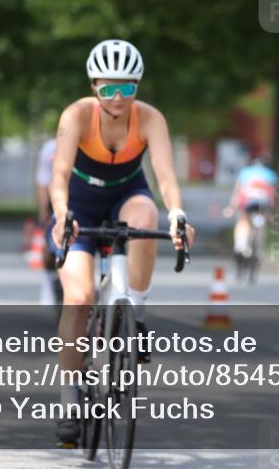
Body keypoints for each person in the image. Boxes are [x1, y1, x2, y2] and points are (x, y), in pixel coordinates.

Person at [48, 39, 195, 446]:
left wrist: (178, 213)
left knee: (146, 219)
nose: (117, 97)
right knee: (77, 301)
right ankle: (68, 399)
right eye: (108, 87)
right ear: (94, 85)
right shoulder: (76, 115)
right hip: (79, 207)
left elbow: (165, 176)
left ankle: (139, 316)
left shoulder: (150, 119)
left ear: (137, 88)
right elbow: (59, 174)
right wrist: (62, 215)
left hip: (127, 196)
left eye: (127, 88)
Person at [222, 156, 277, 272]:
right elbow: (272, 195)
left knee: (243, 220)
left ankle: (241, 245)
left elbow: (238, 193)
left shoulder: (245, 173)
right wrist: (271, 213)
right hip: (264, 205)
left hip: (248, 203)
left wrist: (231, 208)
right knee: (262, 225)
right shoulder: (270, 174)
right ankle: (259, 249)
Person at [35, 137, 62, 306]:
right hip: (56, 198)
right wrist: (44, 210)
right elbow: (43, 182)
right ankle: (47, 281)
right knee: (49, 243)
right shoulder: (50, 149)